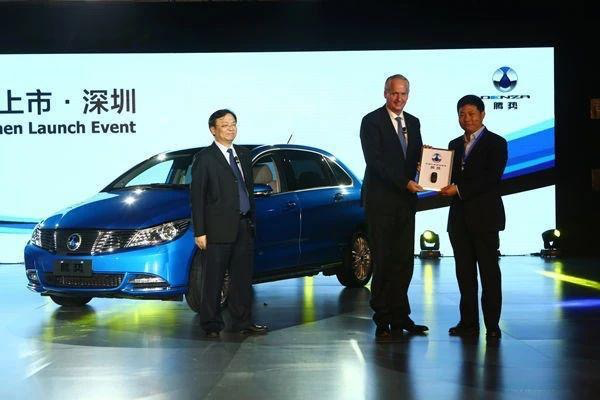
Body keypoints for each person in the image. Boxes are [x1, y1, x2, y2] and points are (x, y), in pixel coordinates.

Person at [360, 74, 429, 340]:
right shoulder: (371, 121)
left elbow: (416, 156)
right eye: (394, 93)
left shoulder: (414, 121)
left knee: (403, 261)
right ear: (385, 93)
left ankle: (401, 316)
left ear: (408, 95)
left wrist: (427, 163)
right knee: (384, 260)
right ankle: (382, 318)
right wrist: (405, 182)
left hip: (406, 202)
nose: (398, 98)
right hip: (381, 201)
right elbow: (375, 162)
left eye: (403, 94)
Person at [190, 109, 267, 338]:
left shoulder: (243, 154)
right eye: (225, 125)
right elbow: (197, 197)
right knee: (214, 279)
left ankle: (243, 321)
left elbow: (246, 189)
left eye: (233, 123)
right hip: (217, 228)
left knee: (242, 279)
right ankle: (211, 324)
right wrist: (200, 231)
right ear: (213, 130)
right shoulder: (205, 158)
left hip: (243, 225)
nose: (231, 128)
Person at [440, 95, 508, 340]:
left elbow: (491, 178)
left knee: (489, 274)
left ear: (482, 114)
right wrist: (428, 167)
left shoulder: (497, 143)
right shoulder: (454, 144)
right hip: (459, 220)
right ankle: (468, 323)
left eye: (471, 113)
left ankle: (492, 325)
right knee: (464, 274)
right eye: (462, 114)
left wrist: (459, 189)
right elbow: (445, 176)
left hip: (486, 219)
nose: (466, 119)